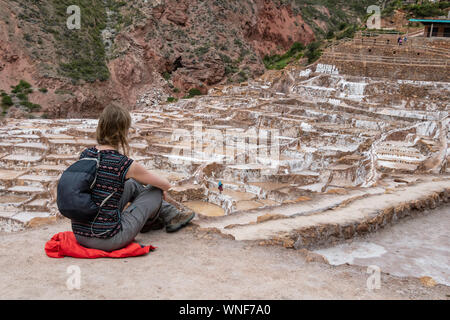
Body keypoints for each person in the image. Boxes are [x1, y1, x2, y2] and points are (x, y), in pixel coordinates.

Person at [71, 104, 195, 252]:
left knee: (131, 183)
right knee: (155, 190)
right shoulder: (123, 163)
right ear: (123, 131)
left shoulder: (86, 155)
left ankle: (168, 215)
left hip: (80, 234)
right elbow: (165, 184)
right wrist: (159, 190)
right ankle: (163, 217)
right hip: (108, 238)